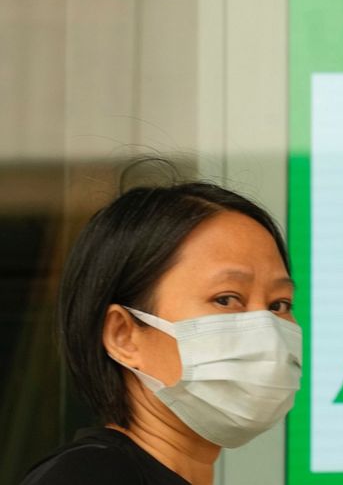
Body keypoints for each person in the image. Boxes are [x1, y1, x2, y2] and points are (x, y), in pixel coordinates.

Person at [21, 181, 302, 485]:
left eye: (279, 304)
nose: (266, 330)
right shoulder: (88, 476)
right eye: (226, 299)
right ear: (123, 336)